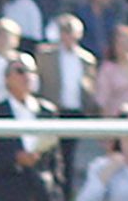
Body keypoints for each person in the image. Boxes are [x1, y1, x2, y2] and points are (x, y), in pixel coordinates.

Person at [0, 53, 62, 201]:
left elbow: (55, 159)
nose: (27, 76)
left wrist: (55, 186)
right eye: (20, 71)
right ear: (6, 78)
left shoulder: (47, 112)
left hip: (41, 199)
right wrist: (15, 159)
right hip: (4, 199)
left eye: (31, 71)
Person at [35, 13, 96, 190]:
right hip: (53, 110)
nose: (69, 36)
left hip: (75, 112)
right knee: (49, 154)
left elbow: (89, 87)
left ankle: (66, 196)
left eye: (72, 32)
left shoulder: (86, 59)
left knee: (69, 157)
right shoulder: (46, 55)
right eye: (65, 31)